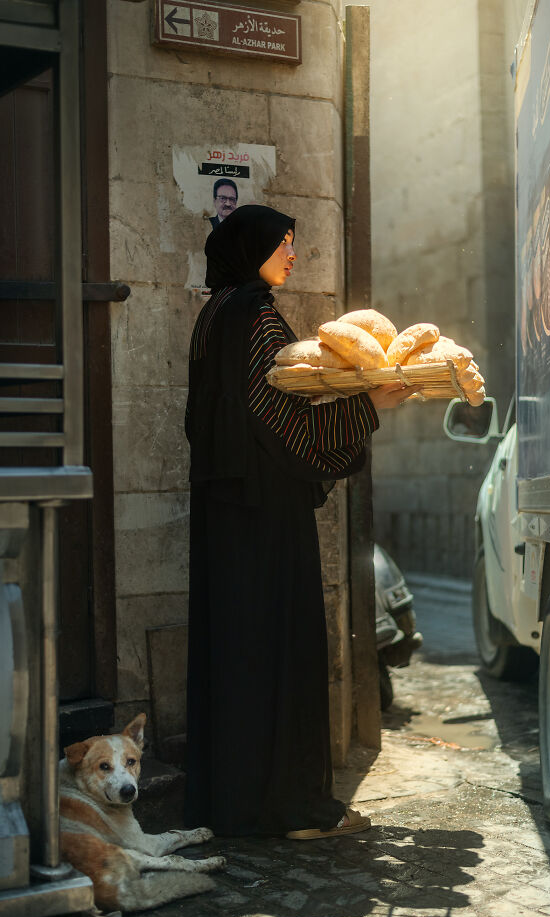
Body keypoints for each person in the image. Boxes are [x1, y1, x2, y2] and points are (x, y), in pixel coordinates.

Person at [184, 205, 417, 839]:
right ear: (249, 248)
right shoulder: (251, 313)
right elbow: (276, 418)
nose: (291, 253)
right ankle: (287, 808)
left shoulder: (214, 314)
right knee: (276, 650)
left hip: (226, 514)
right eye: (281, 243)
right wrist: (367, 405)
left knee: (236, 652)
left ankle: (231, 803)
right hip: (265, 516)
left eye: (293, 242)